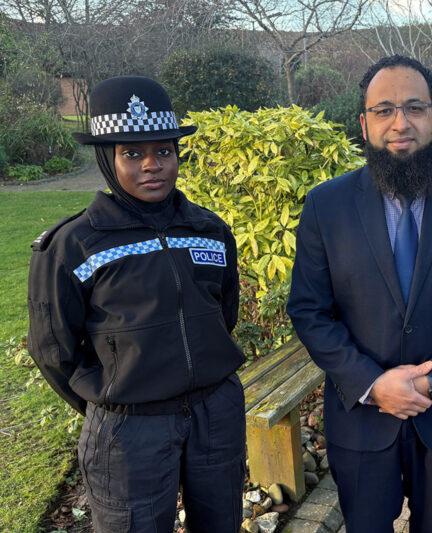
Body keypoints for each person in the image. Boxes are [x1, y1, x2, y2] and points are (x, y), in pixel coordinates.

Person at [287, 55, 432, 533]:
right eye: (385, 110)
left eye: (414, 108)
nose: (401, 123)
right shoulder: (325, 205)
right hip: (361, 419)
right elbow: (310, 311)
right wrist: (374, 385)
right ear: (364, 122)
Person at [27, 76, 246, 533]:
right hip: (130, 432)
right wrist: (114, 401)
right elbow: (53, 352)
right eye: (132, 154)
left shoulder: (209, 231)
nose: (152, 166)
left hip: (215, 417)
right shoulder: (73, 246)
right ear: (107, 159)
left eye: (163, 151)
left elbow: (223, 314)